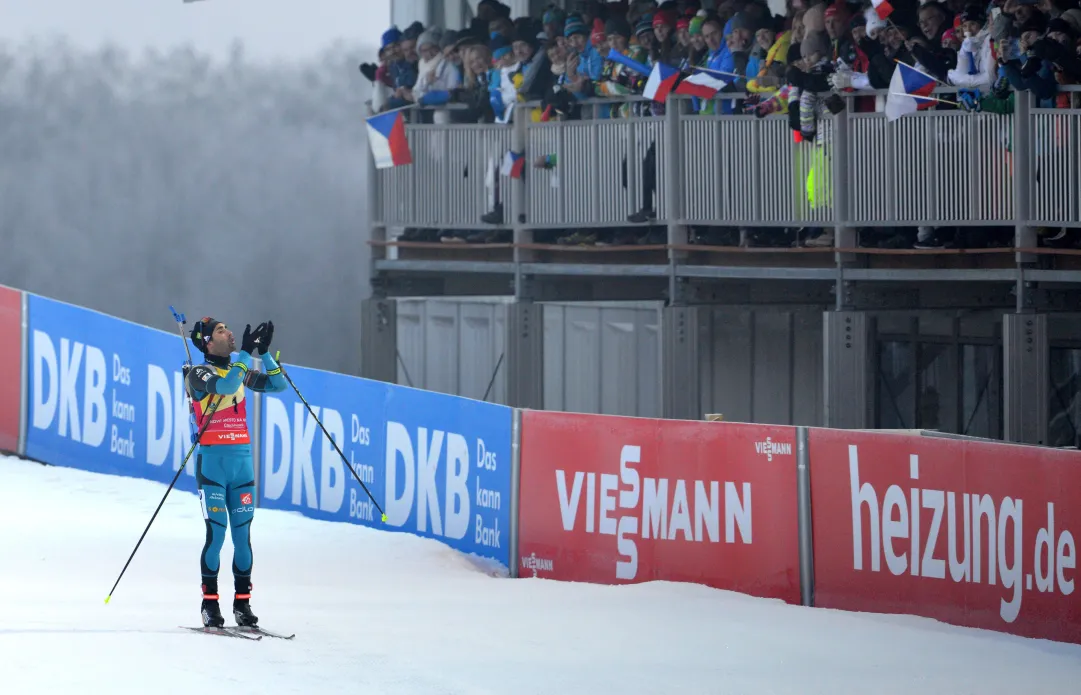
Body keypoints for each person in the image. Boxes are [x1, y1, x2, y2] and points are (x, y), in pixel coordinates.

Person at [185, 317, 287, 628]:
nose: (228, 332)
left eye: (227, 328)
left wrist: (265, 353)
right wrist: (246, 352)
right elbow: (228, 386)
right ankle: (210, 603)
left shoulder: (239, 370)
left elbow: (278, 385)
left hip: (242, 462)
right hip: (213, 464)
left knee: (243, 538)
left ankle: (243, 603)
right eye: (220, 330)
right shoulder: (199, 373)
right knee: (216, 536)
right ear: (207, 343)